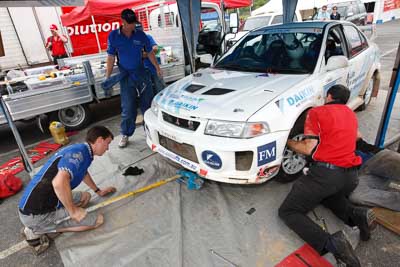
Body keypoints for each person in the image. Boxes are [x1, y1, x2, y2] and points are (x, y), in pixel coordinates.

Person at [278, 85, 375, 267]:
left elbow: (307, 148)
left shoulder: (317, 112)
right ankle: (357, 215)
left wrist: (287, 143)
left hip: (327, 175)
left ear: (328, 96)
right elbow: (355, 138)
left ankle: (332, 243)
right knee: (326, 196)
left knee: (288, 211)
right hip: (350, 177)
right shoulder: (350, 114)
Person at [18, 126, 116, 255]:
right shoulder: (78, 154)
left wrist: (98, 191)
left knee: (85, 197)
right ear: (99, 140)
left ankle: (57, 219)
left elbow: (83, 172)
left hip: (48, 200)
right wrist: (73, 211)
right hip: (35, 214)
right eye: (107, 143)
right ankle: (38, 230)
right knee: (98, 220)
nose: (108, 148)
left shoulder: (84, 152)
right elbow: (59, 183)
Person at [106, 9, 162, 148]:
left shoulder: (141, 35)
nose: (132, 26)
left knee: (147, 105)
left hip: (141, 73)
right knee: (128, 107)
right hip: (126, 76)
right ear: (123, 21)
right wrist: (108, 77)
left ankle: (149, 132)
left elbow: (150, 52)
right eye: (129, 23)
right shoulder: (114, 36)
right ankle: (126, 133)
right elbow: (111, 57)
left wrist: (157, 68)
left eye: (133, 23)